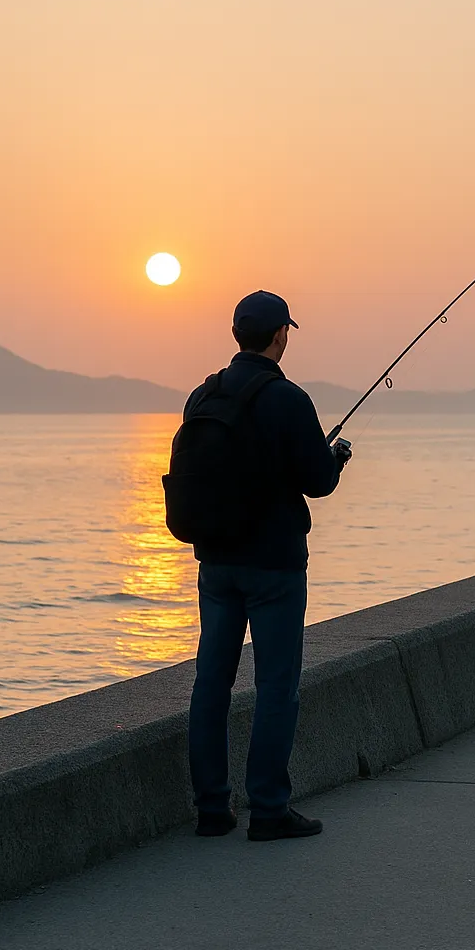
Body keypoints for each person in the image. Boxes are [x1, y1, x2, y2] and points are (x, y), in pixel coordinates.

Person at [183, 290, 352, 840]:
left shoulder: (202, 394)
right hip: (275, 566)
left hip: (216, 561)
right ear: (280, 334)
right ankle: (270, 809)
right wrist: (337, 456)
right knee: (276, 686)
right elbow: (318, 481)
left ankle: (212, 809)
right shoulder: (288, 398)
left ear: (238, 334)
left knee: (211, 683)